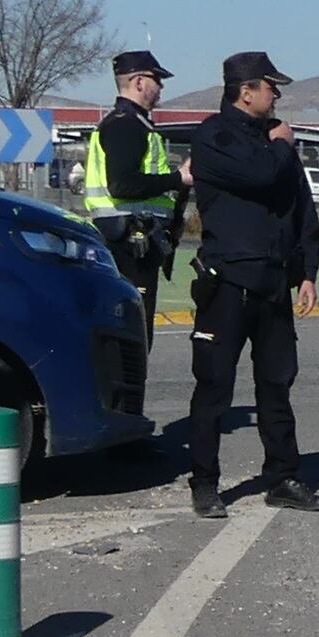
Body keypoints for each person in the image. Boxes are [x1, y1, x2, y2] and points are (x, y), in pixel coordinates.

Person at [182, 51, 319, 517]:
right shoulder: (214, 136)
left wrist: (307, 271)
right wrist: (282, 146)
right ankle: (205, 483)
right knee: (214, 387)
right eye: (270, 87)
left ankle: (283, 476)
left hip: (272, 282)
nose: (277, 95)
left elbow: (301, 206)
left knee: (276, 383)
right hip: (227, 282)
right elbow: (259, 174)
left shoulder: (275, 142)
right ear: (246, 91)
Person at [81, 49, 184, 429]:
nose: (160, 88)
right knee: (132, 341)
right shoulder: (126, 125)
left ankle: (127, 422)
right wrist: (178, 180)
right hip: (128, 243)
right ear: (139, 81)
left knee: (135, 339)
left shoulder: (134, 123)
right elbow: (122, 184)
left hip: (133, 241)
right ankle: (125, 425)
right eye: (157, 80)